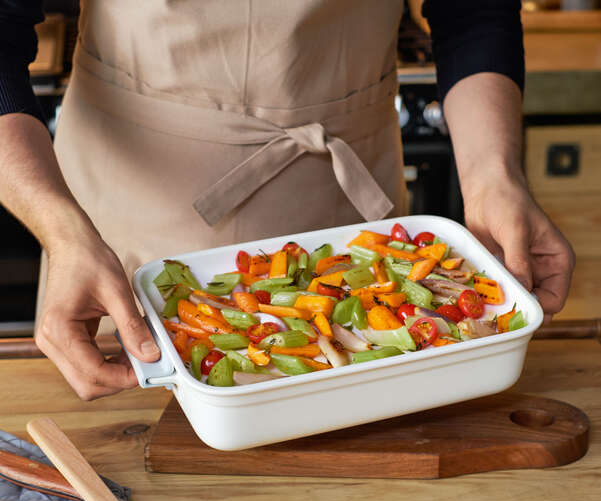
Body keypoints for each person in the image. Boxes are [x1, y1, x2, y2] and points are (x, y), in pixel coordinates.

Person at [0, 0, 574, 401]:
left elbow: (474, 9)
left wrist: (494, 176)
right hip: (118, 207)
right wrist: (59, 228)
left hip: (344, 204)